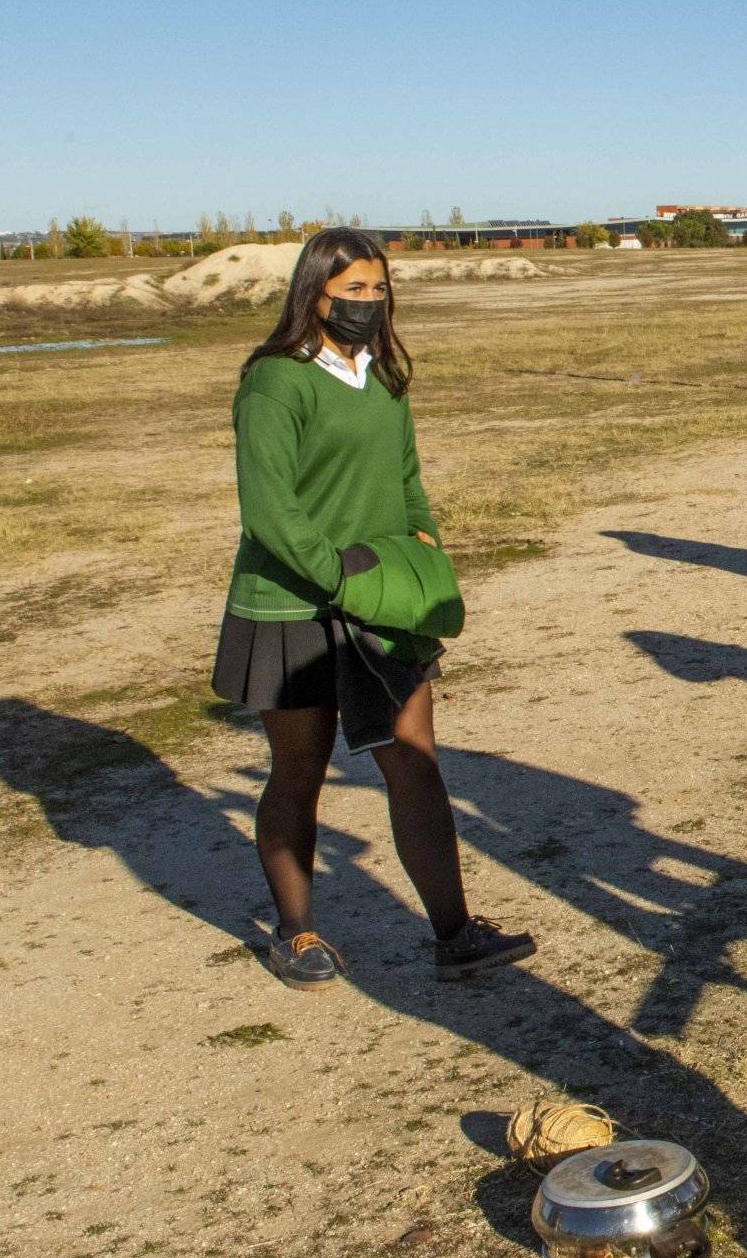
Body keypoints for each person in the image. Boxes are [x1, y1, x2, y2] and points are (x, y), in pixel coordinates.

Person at [212, 227, 534, 989]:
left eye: (377, 288)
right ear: (313, 291)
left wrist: (423, 545)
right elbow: (270, 511)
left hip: (379, 599)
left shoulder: (384, 376)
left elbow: (407, 477)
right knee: (300, 769)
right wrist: (337, 575)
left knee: (413, 760)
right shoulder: (274, 382)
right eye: (351, 289)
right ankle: (295, 934)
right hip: (291, 605)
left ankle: (455, 934)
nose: (366, 302)